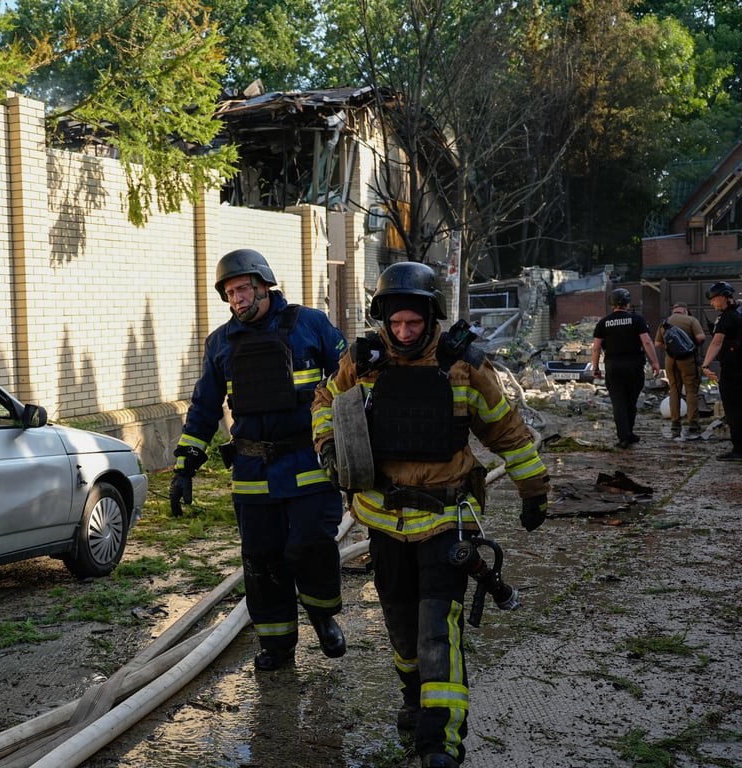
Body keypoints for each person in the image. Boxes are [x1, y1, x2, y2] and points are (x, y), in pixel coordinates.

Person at [311, 262, 550, 768]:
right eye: (394, 324)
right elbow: (325, 402)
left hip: (446, 520)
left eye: (412, 324)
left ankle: (440, 742)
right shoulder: (363, 360)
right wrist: (329, 444)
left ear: (431, 316)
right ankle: (412, 698)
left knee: (437, 627)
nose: (402, 334)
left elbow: (505, 430)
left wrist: (534, 489)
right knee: (400, 626)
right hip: (381, 519)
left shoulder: (463, 364)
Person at [169, 248, 349, 671]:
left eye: (243, 289)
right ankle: (277, 645)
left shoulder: (310, 324)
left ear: (264, 285)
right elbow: (204, 407)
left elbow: (351, 377)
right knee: (262, 558)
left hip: (310, 460)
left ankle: (322, 616)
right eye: (230, 293)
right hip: (253, 470)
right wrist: (185, 463)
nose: (237, 300)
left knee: (311, 545)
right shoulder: (220, 343)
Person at [590, 288, 661, 448]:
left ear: (612, 304)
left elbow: (596, 348)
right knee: (631, 400)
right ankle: (628, 432)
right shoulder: (637, 320)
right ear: (628, 304)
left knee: (618, 401)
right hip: (634, 365)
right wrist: (655, 362)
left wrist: (595, 367)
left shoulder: (603, 323)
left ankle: (624, 436)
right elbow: (647, 341)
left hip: (613, 366)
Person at [699, 281, 742, 461]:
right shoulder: (739, 313)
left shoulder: (727, 318)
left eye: (714, 299)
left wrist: (705, 365)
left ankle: (739, 450)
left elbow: (716, 342)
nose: (712, 304)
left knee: (734, 409)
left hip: (733, 371)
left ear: (724, 297)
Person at [653, 301, 706, 441]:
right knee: (690, 390)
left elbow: (657, 344)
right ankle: (693, 423)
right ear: (685, 310)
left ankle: (675, 423)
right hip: (688, 360)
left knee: (674, 390)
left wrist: (671, 346)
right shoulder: (691, 320)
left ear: (674, 311)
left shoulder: (665, 323)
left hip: (670, 360)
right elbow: (701, 338)